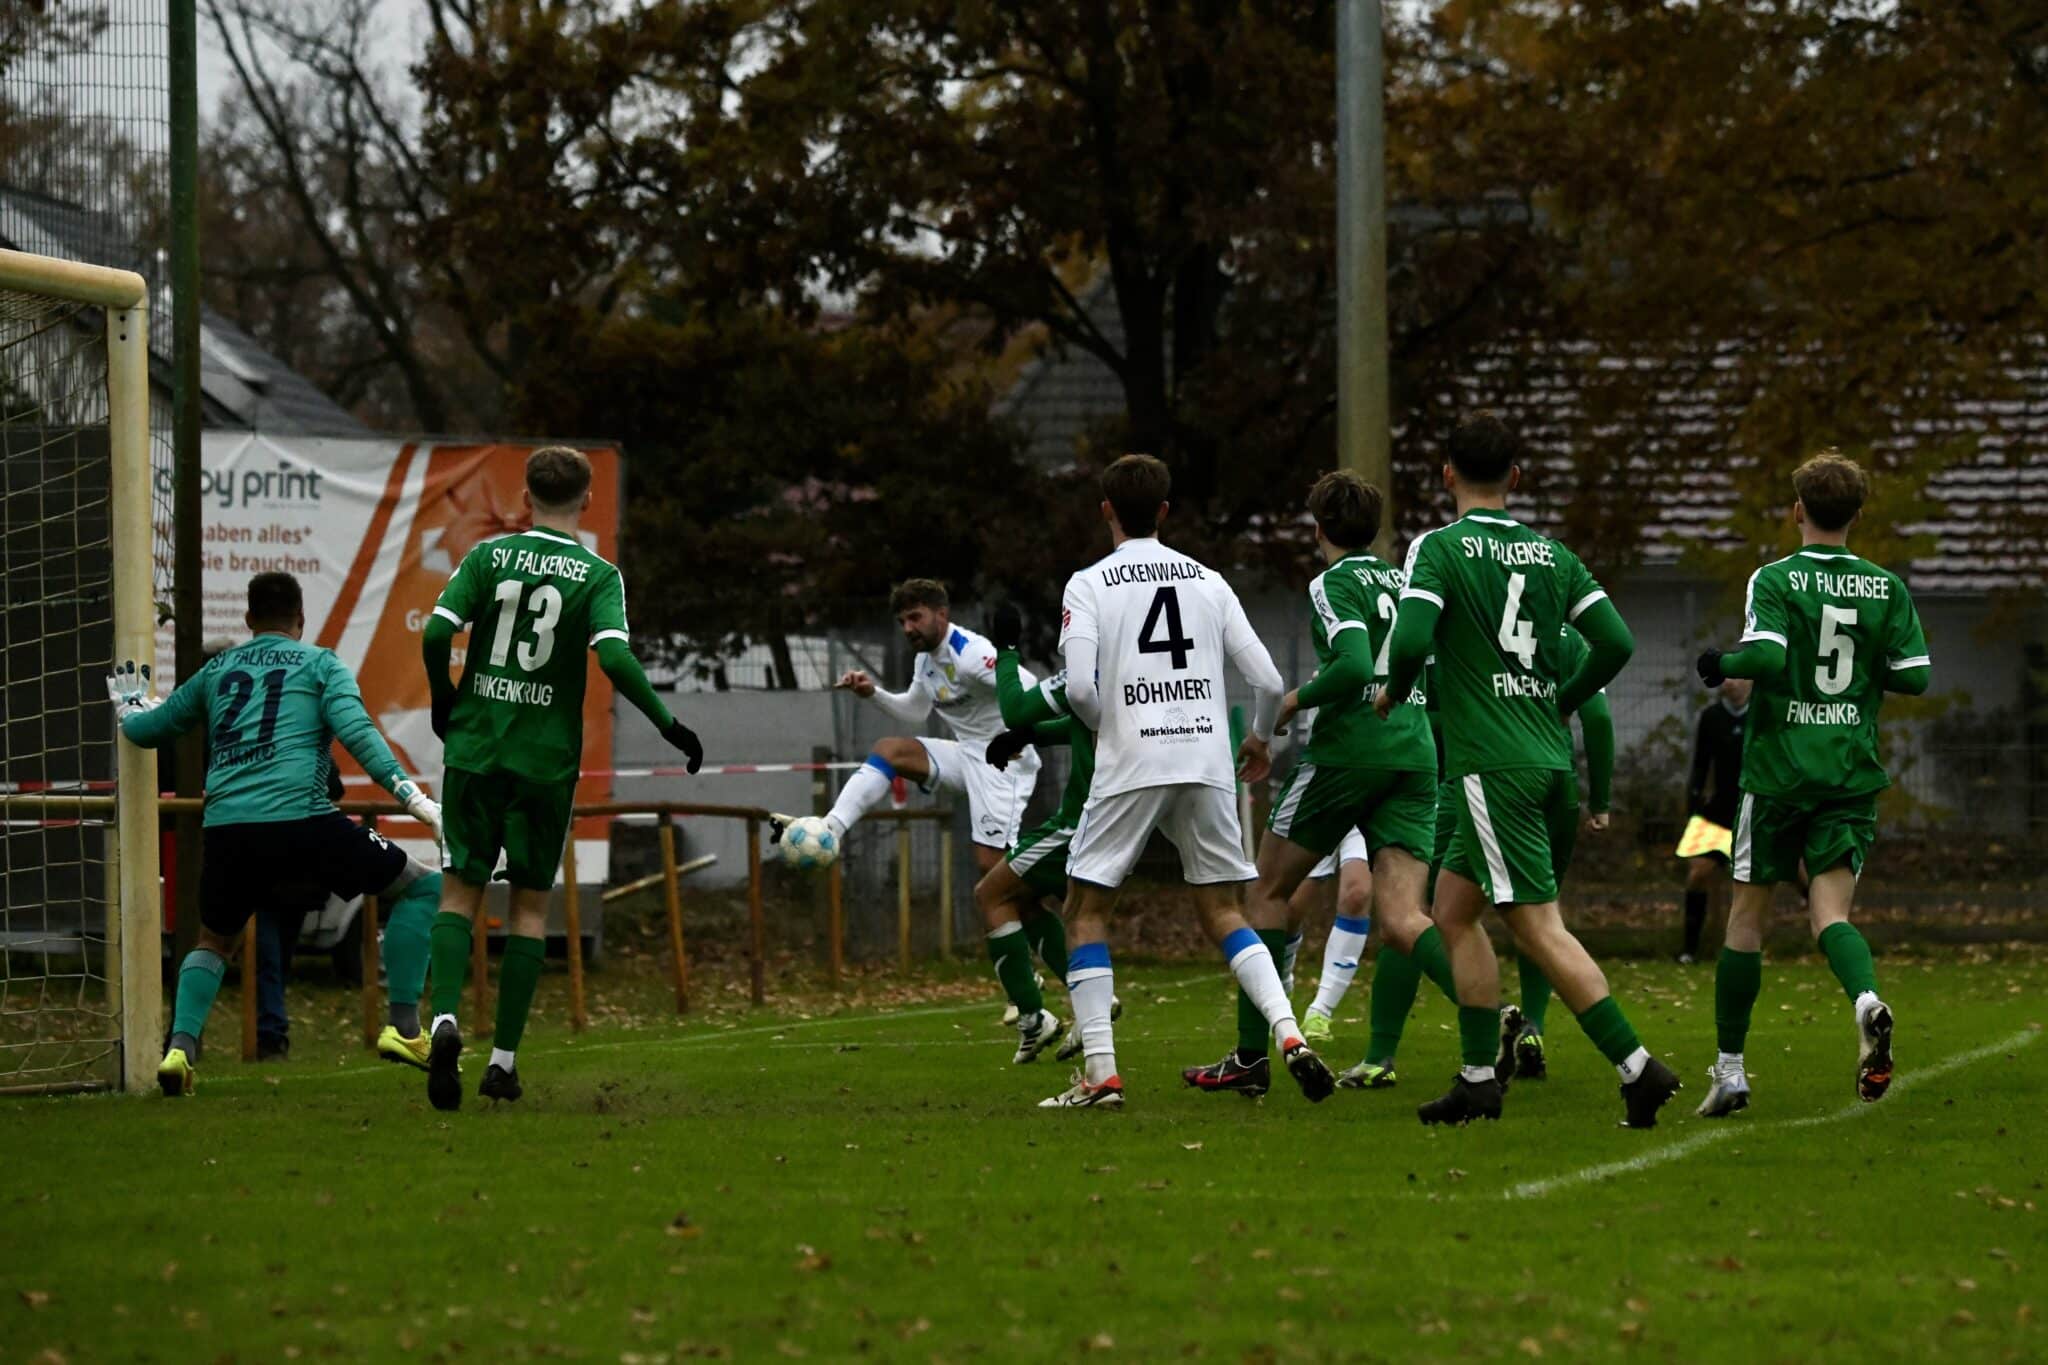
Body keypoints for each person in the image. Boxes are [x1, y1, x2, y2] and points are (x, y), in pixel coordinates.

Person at [1376, 413, 1680, 1127]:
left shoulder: (1440, 548)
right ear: (1516, 476)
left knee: (1538, 925)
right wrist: (1559, 700)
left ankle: (1638, 1067)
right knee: (1451, 914)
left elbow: (1414, 635)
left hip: (1492, 767)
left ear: (1446, 474)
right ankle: (1479, 1078)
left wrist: (1394, 685)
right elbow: (1616, 640)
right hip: (1543, 761)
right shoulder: (1551, 555)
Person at [1037, 453, 1334, 1110]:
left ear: (1107, 510)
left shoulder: (1087, 585)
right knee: (1225, 909)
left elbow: (1082, 688)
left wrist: (1101, 725)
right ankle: (1288, 1035)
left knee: (1084, 911)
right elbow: (1265, 680)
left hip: (1132, 759)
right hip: (1205, 758)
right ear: (1165, 512)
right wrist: (1258, 737)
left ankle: (1101, 1074)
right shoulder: (1208, 580)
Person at [420, 446, 703, 1111]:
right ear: (586, 496)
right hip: (544, 762)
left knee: (458, 892)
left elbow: (436, 633)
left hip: (476, 747)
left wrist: (444, 698)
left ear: (525, 495)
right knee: (526, 905)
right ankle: (503, 1061)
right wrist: (668, 723)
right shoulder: (598, 574)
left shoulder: (489, 557)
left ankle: (442, 1022)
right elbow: (613, 655)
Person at [106, 572, 447, 1097]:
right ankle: (405, 1029)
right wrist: (412, 796)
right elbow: (356, 732)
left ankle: (179, 1050)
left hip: (227, 831)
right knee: (421, 886)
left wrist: (129, 710)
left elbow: (154, 728)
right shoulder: (320, 663)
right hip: (302, 822)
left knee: (214, 942)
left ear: (248, 620)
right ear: (301, 619)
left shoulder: (218, 669)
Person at [1180, 470, 1439, 1099]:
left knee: (1265, 891)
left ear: (1317, 528)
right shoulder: (1407, 582)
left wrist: (1290, 705)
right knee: (1405, 916)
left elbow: (1351, 668)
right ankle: (1491, 1027)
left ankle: (1251, 1054)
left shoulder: (1333, 582)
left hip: (1352, 752)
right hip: (1416, 750)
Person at [1693, 450, 1929, 1116]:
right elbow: (1915, 675)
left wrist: (1723, 661)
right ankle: (1865, 1000)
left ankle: (1731, 1071)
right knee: (1831, 914)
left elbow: (1766, 656)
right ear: (1857, 514)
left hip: (1777, 776)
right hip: (1848, 773)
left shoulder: (1775, 579)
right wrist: (1858, 681)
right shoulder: (1886, 587)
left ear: (1798, 510)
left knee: (1746, 919)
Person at [1353, 621, 1616, 1088]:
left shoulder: (1465, 630)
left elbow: (1423, 713)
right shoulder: (1570, 637)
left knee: (1411, 915)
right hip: (1556, 787)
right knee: (1539, 917)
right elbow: (1596, 717)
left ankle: (1382, 1054)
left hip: (1474, 783)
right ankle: (1533, 1027)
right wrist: (1601, 801)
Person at [782, 581, 1041, 882]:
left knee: (992, 870)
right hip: (968, 754)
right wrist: (872, 694)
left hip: (1004, 764)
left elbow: (1029, 685)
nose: (907, 628)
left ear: (941, 614)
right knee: (890, 751)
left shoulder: (970, 653)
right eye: (902, 621)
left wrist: (1019, 736)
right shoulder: (925, 660)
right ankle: (830, 830)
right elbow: (916, 711)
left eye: (915, 617)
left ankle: (1057, 901)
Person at [978, 608, 1120, 1063]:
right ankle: (1093, 1003)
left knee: (989, 894)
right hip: (1119, 822)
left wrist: (1005, 651)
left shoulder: (1090, 670)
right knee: (1037, 904)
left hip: (1078, 822)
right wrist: (1030, 736)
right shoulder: (1136, 676)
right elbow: (1084, 728)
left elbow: (1014, 706)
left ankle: (1034, 1017)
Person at [1679, 677, 1753, 963]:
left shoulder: (1761, 714)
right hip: (1719, 810)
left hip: (1753, 808)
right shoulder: (1711, 718)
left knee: (1792, 874)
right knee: (1698, 874)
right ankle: (1689, 951)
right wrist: (1694, 805)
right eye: (1726, 679)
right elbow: (1700, 765)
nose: (1731, 684)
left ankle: (1826, 936)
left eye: (1737, 677)